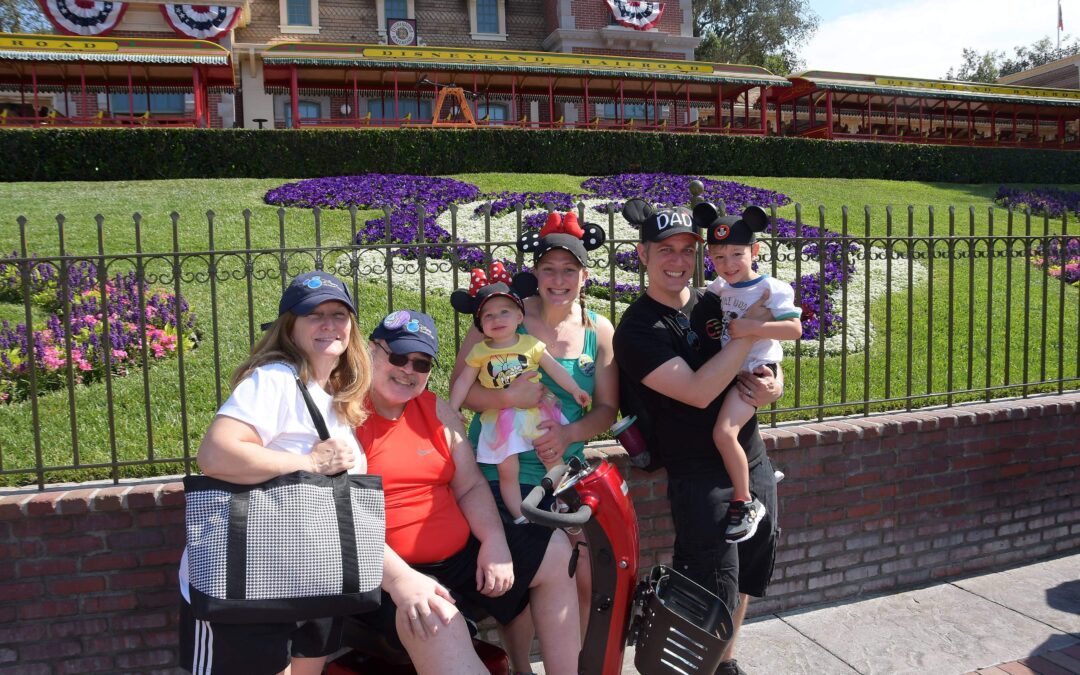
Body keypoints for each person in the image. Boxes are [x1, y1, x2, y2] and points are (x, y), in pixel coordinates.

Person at [181, 271, 387, 675]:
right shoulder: (275, 379)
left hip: (315, 576)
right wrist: (309, 463)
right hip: (249, 583)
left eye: (340, 314)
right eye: (314, 314)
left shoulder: (334, 396)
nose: (330, 324)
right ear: (289, 327)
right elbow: (216, 454)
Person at [356, 309, 581, 675]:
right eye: (397, 356)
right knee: (439, 616)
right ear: (370, 352)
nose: (408, 370)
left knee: (555, 549)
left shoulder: (434, 409)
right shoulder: (346, 416)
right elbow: (344, 520)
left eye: (421, 362)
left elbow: (471, 485)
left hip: (459, 559)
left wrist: (494, 540)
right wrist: (403, 580)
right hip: (391, 573)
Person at [612, 199, 784, 675]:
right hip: (699, 475)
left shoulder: (716, 300)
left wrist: (773, 385)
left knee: (747, 568)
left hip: (750, 456)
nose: (677, 260)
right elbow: (698, 390)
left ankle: (725, 664)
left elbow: (764, 359)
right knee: (711, 585)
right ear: (642, 254)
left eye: (688, 250)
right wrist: (750, 333)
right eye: (665, 249)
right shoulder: (638, 329)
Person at [450, 210, 617, 665]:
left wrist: (567, 434)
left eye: (569, 269)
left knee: (584, 572)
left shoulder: (598, 329)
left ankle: (577, 660)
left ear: (585, 274)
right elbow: (460, 394)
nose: (558, 279)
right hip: (499, 470)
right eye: (548, 268)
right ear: (535, 274)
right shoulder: (504, 315)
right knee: (524, 582)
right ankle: (521, 667)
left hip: (561, 476)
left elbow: (605, 407)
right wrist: (510, 399)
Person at [691, 203, 802, 544]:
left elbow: (795, 330)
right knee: (725, 431)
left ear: (754, 251)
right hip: (729, 369)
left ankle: (745, 501)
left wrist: (753, 327)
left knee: (724, 433)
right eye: (718, 257)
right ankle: (760, 473)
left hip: (754, 371)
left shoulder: (771, 289)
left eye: (736, 254)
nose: (728, 265)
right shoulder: (720, 287)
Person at [448, 262, 592, 523]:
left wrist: (575, 389)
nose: (497, 319)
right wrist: (453, 409)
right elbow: (462, 382)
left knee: (553, 457)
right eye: (488, 316)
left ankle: (562, 501)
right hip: (501, 418)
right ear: (480, 324)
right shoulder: (480, 351)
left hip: (534, 412)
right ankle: (520, 513)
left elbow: (556, 368)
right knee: (507, 470)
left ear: (519, 317)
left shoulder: (531, 344)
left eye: (505, 312)